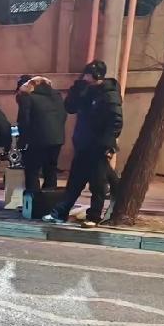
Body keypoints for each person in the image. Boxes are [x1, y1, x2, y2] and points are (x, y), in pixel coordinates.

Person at [44, 60, 122, 228]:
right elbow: (70, 107)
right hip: (83, 144)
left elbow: (116, 121)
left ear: (96, 76)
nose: (85, 77)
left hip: (99, 146)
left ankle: (94, 216)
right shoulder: (86, 91)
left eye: (87, 74)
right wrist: (76, 89)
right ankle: (60, 213)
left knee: (97, 183)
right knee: (74, 182)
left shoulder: (109, 94)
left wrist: (107, 144)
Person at [16, 74, 67, 193]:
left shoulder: (28, 97)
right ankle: (49, 199)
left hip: (36, 140)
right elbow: (63, 116)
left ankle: (34, 200)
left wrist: (22, 141)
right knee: (50, 170)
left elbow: (24, 120)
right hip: (57, 139)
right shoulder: (57, 96)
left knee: (32, 170)